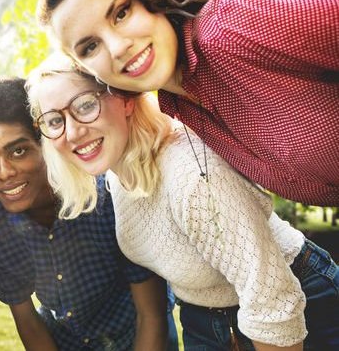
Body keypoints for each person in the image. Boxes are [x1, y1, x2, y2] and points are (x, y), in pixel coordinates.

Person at [26, 54, 339, 350]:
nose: (73, 132)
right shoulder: (115, 176)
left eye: (84, 105)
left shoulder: (191, 175)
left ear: (124, 98)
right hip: (205, 317)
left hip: (297, 304)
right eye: (54, 121)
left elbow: (272, 297)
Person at [35, 0, 339, 206]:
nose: (117, 48)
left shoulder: (226, 27)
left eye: (121, 13)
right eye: (90, 47)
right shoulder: (179, 105)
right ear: (87, 70)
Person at [0, 77, 171, 350]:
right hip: (62, 340)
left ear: (45, 144)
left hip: (134, 334)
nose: (4, 172)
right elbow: (27, 321)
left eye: (18, 151)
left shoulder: (106, 196)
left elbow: (151, 315)